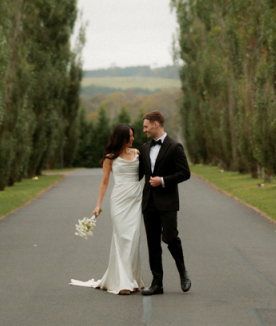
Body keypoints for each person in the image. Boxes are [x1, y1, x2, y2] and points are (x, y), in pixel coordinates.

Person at [70, 123, 144, 294]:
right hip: (118, 201)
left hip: (135, 200)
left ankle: (132, 278)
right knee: (121, 238)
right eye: (130, 136)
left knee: (133, 239)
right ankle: (123, 282)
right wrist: (98, 205)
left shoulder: (137, 153)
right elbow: (104, 182)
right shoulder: (110, 157)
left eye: (133, 135)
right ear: (122, 137)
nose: (133, 139)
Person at [139, 110, 191, 295]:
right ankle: (157, 283)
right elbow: (138, 174)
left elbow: (185, 173)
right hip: (149, 203)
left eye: (146, 126)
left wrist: (163, 180)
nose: (144, 130)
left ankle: (183, 273)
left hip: (167, 202)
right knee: (152, 243)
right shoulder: (145, 148)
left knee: (169, 238)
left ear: (155, 124)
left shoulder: (175, 147)